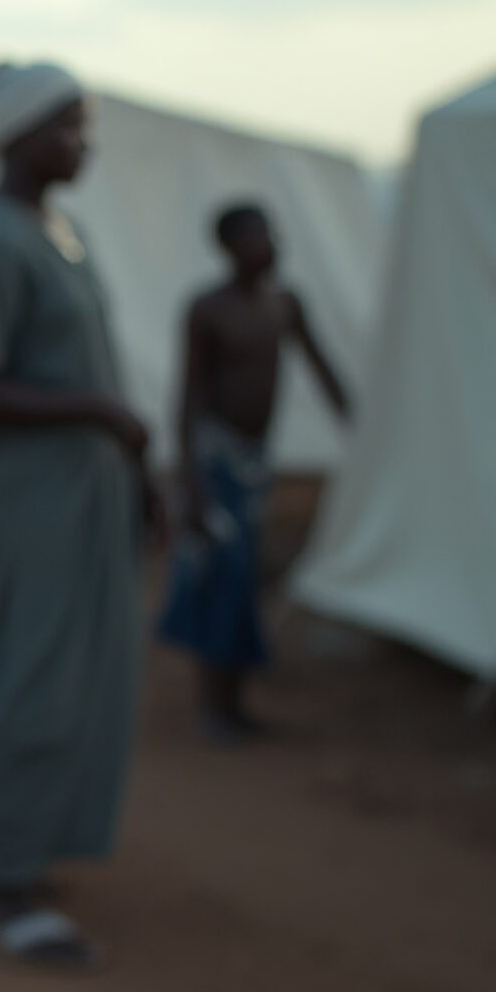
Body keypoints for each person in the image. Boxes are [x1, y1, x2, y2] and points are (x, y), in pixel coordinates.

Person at [0, 60, 158, 972]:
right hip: (31, 499)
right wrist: (99, 413)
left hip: (82, 496)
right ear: (18, 136)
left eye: (86, 124)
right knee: (28, 674)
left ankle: (36, 851)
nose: (84, 143)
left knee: (76, 674)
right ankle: (7, 884)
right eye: (69, 126)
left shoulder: (56, 230)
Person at [158, 203, 352, 740]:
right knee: (220, 577)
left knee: (243, 582)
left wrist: (360, 431)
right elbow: (189, 399)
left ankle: (235, 703)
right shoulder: (208, 309)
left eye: (274, 235)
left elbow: (323, 369)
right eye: (260, 237)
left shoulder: (284, 304)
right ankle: (213, 707)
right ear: (230, 246)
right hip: (218, 463)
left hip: (255, 463)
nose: (273, 246)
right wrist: (191, 481)